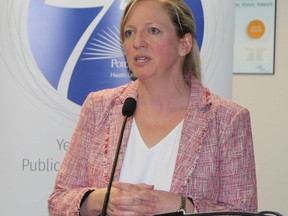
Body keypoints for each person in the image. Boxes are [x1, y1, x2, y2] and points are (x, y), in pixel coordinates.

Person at [48, 0, 257, 215]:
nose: (138, 42)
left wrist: (179, 205)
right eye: (129, 33)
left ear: (184, 44)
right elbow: (58, 201)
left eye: (153, 31)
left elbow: (242, 211)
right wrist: (99, 200)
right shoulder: (99, 107)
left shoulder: (227, 119)